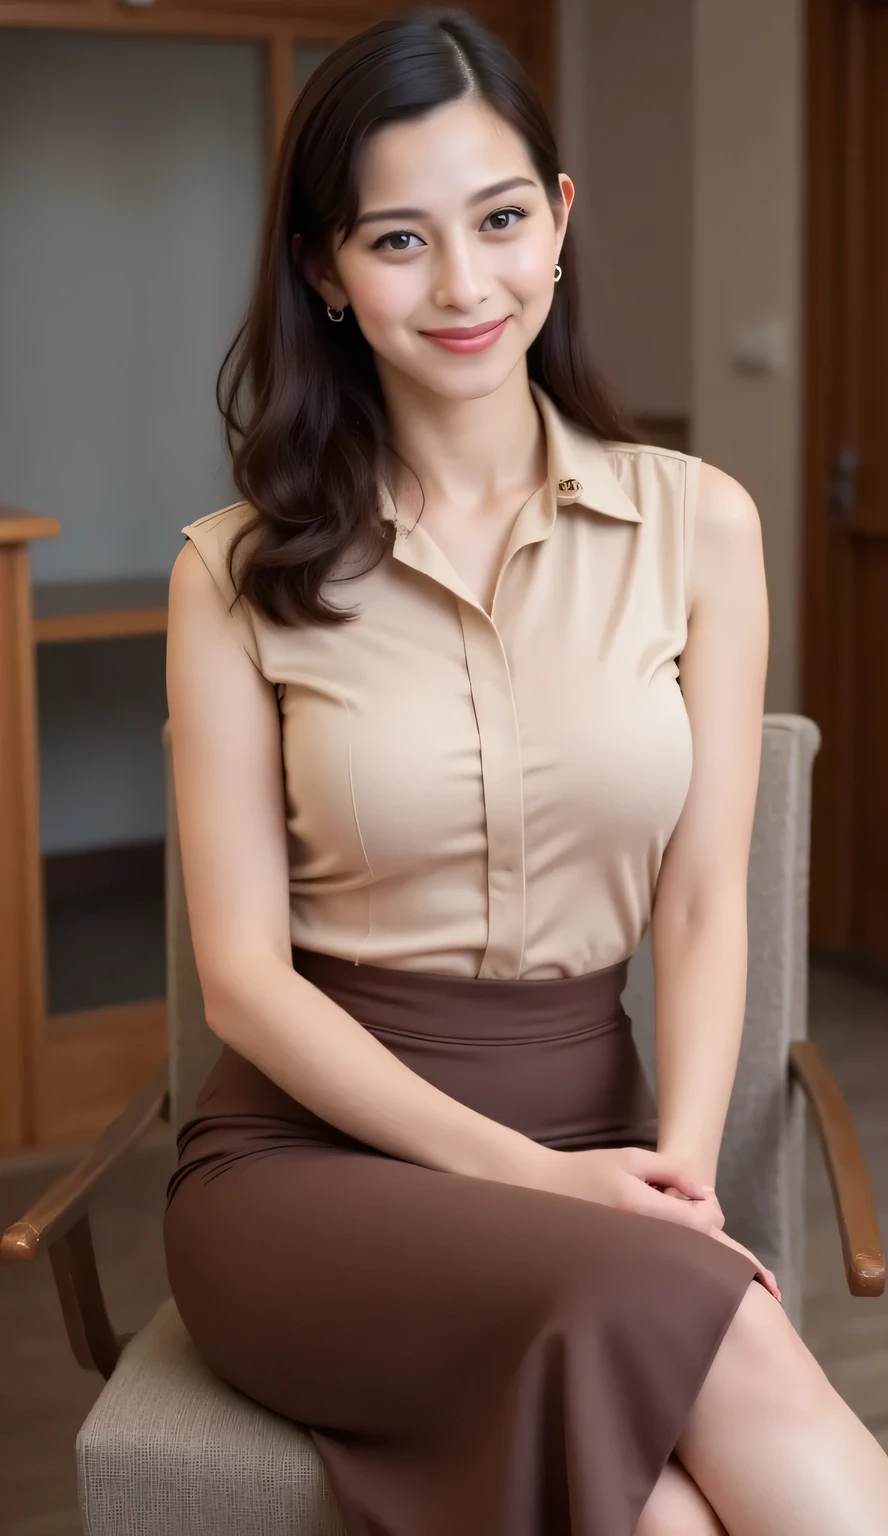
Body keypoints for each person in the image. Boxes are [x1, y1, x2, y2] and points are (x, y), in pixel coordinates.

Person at [162, 9, 888, 1535]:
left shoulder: (701, 527)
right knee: (730, 1341)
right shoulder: (231, 571)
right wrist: (533, 1185)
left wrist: (675, 1171)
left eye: (498, 220)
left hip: (600, 1125)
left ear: (557, 222)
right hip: (308, 1169)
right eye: (398, 241)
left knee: (671, 1516)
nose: (464, 284)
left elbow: (699, 912)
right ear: (325, 274)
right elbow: (241, 981)